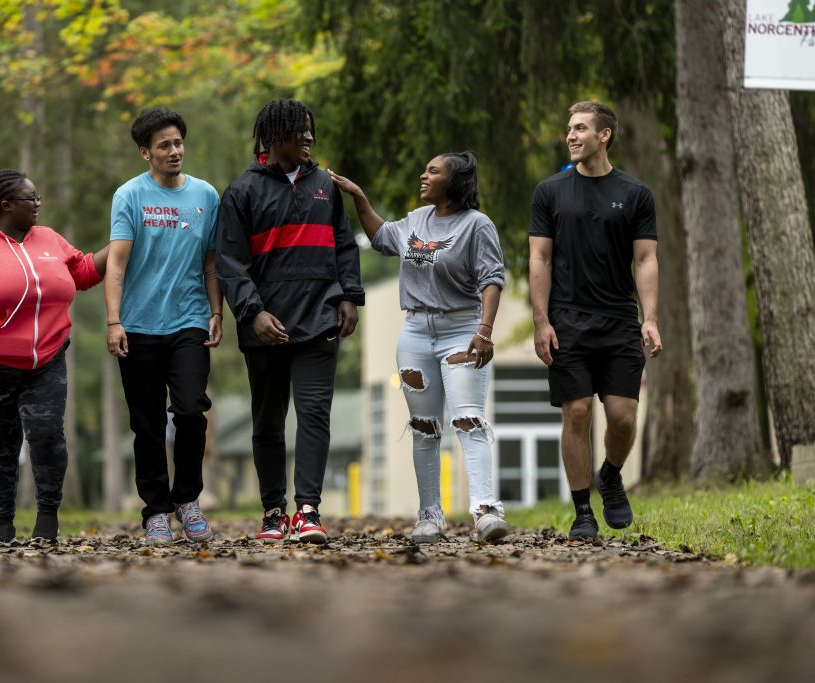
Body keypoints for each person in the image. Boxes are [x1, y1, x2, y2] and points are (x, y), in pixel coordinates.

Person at [330, 153, 509, 544]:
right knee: (425, 428)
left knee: (468, 420)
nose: (423, 175)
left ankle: (485, 511)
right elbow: (380, 238)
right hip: (414, 332)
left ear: (454, 181)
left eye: (433, 171)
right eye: (426, 169)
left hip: (462, 329)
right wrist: (359, 198)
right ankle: (429, 514)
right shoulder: (415, 220)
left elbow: (492, 279)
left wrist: (485, 330)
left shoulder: (477, 226)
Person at [216, 98, 364, 544]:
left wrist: (349, 296)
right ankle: (273, 512)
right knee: (267, 420)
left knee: (315, 415)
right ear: (275, 136)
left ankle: (308, 511)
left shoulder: (324, 184)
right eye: (301, 132)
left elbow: (343, 246)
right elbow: (230, 263)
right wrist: (253, 312)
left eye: (311, 131)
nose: (310, 138)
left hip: (319, 319)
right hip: (266, 327)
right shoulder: (243, 191)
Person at [0, 169, 108, 546]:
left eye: (39, 198)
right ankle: (2, 527)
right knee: (0, 445)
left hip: (46, 360)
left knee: (48, 437)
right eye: (31, 199)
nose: (38, 205)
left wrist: (122, 242)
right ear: (6, 205)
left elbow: (82, 272)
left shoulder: (48, 238)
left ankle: (48, 518)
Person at [528, 101, 662, 541]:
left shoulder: (636, 193)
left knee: (622, 417)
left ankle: (611, 475)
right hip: (567, 320)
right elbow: (540, 257)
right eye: (569, 128)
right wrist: (541, 321)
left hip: (620, 320)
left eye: (581, 128)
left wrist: (651, 318)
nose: (571, 135)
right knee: (578, 412)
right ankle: (583, 509)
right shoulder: (549, 192)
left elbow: (645, 259)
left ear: (604, 135)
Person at [105, 108, 222, 545]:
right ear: (145, 152)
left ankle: (187, 498)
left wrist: (216, 312)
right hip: (137, 326)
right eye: (164, 146)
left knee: (191, 411)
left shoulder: (206, 196)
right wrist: (114, 321)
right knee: (148, 424)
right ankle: (156, 510)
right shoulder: (129, 196)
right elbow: (116, 261)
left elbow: (212, 263)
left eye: (178, 143)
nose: (174, 151)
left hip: (189, 320)